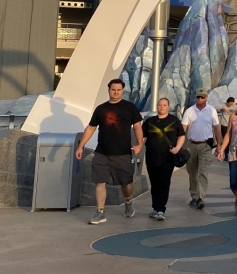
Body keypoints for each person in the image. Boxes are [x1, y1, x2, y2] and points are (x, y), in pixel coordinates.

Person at [76, 78, 144, 224]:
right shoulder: (101, 109)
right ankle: (100, 212)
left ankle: (128, 202)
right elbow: (91, 128)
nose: (116, 92)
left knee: (126, 184)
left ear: (122, 91)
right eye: (113, 89)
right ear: (109, 90)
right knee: (100, 182)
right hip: (102, 153)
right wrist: (81, 146)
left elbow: (138, 126)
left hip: (123, 153)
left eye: (119, 90)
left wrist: (139, 144)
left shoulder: (129, 107)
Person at [142, 97, 186, 220]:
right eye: (160, 105)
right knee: (154, 183)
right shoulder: (150, 121)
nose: (162, 107)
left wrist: (177, 148)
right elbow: (142, 136)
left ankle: (161, 209)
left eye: (164, 105)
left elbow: (181, 135)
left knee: (164, 182)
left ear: (168, 106)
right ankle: (155, 207)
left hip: (167, 157)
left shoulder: (174, 120)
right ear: (157, 106)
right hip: (151, 156)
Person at [181, 89, 222, 210]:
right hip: (191, 144)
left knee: (203, 172)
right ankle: (194, 195)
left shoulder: (211, 111)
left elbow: (216, 128)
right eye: (198, 97)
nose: (200, 99)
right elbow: (183, 128)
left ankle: (201, 197)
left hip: (205, 145)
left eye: (202, 97)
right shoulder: (189, 111)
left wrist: (219, 145)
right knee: (192, 172)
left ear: (206, 98)